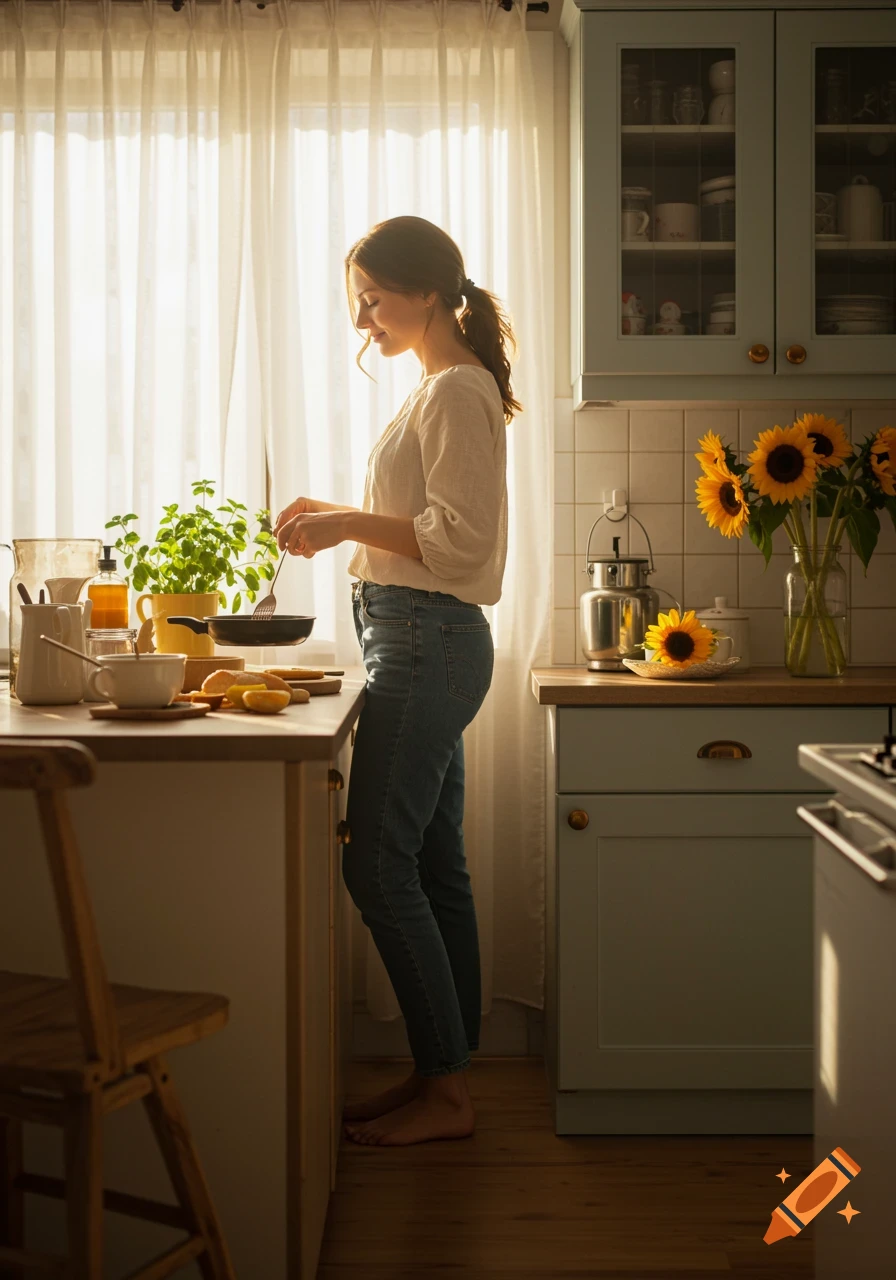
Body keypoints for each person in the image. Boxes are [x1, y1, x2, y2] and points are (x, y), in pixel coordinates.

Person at [274, 215, 520, 1147]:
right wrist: (343, 515)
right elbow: (426, 523)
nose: (364, 319)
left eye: (373, 298)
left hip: (427, 642)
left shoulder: (457, 390)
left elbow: (458, 540)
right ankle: (438, 1077)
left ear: (424, 291)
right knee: (432, 866)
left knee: (376, 864)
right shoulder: (442, 388)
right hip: (416, 640)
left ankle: (447, 1093)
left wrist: (344, 522)